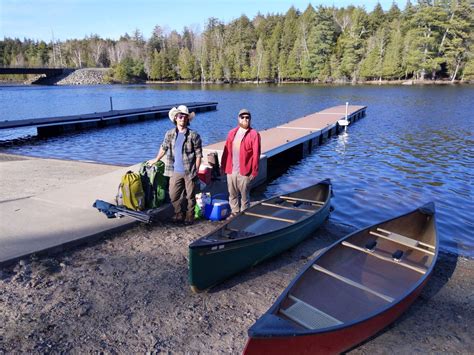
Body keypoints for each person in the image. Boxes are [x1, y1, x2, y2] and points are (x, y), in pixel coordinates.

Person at [148, 105, 202, 224]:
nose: (182, 118)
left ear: (188, 119)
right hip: (174, 171)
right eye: (180, 116)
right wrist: (156, 159)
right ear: (175, 118)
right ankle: (178, 213)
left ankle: (190, 215)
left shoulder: (194, 135)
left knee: (190, 196)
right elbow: (164, 147)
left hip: (189, 171)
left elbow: (198, 154)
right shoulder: (170, 134)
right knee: (173, 195)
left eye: (185, 117)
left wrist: (196, 170)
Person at [221, 108, 261, 217]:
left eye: (247, 117)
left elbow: (256, 154)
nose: (245, 119)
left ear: (250, 119)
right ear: (238, 119)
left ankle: (244, 216)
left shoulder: (254, 134)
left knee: (244, 196)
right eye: (242, 117)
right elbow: (226, 151)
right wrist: (223, 166)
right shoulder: (231, 133)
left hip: (245, 172)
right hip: (231, 170)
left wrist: (254, 172)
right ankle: (234, 213)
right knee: (232, 195)